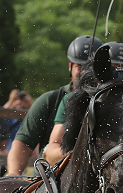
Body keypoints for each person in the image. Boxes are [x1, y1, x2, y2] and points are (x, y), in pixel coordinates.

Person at [7, 35, 102, 175]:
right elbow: (23, 143)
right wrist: (13, 175)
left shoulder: (108, 103)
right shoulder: (49, 100)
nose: (84, 73)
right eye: (79, 66)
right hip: (46, 181)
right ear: (70, 66)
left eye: (90, 68)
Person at [42, 41, 123, 166]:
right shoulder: (76, 100)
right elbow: (51, 153)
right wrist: (85, 153)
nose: (118, 75)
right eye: (113, 69)